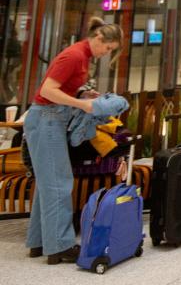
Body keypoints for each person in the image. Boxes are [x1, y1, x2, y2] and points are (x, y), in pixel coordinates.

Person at [23, 22, 124, 263]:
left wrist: (82, 95)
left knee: (48, 184)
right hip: (47, 118)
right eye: (107, 47)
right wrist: (83, 105)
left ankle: (39, 242)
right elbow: (47, 91)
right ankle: (59, 247)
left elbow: (61, 89)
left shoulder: (82, 56)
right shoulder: (74, 55)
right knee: (59, 184)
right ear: (98, 36)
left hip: (50, 119)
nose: (106, 53)